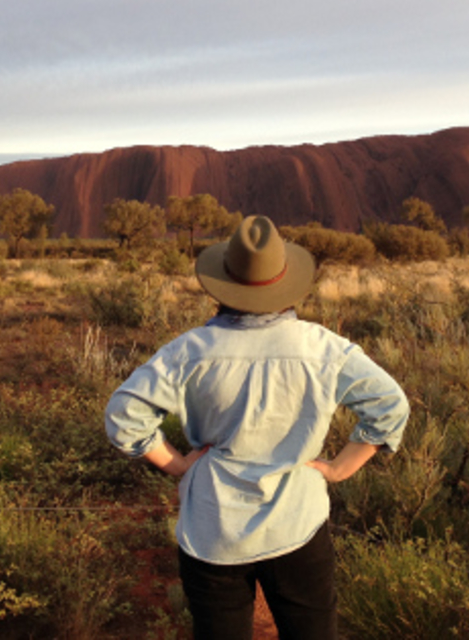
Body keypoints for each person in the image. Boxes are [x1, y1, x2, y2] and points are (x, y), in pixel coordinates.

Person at [104, 215, 409, 640]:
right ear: (286, 284)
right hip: (298, 524)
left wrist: (178, 465)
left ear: (223, 285)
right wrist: (340, 467)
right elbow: (390, 405)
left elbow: (122, 415)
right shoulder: (322, 347)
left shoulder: (189, 351)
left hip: (213, 531)